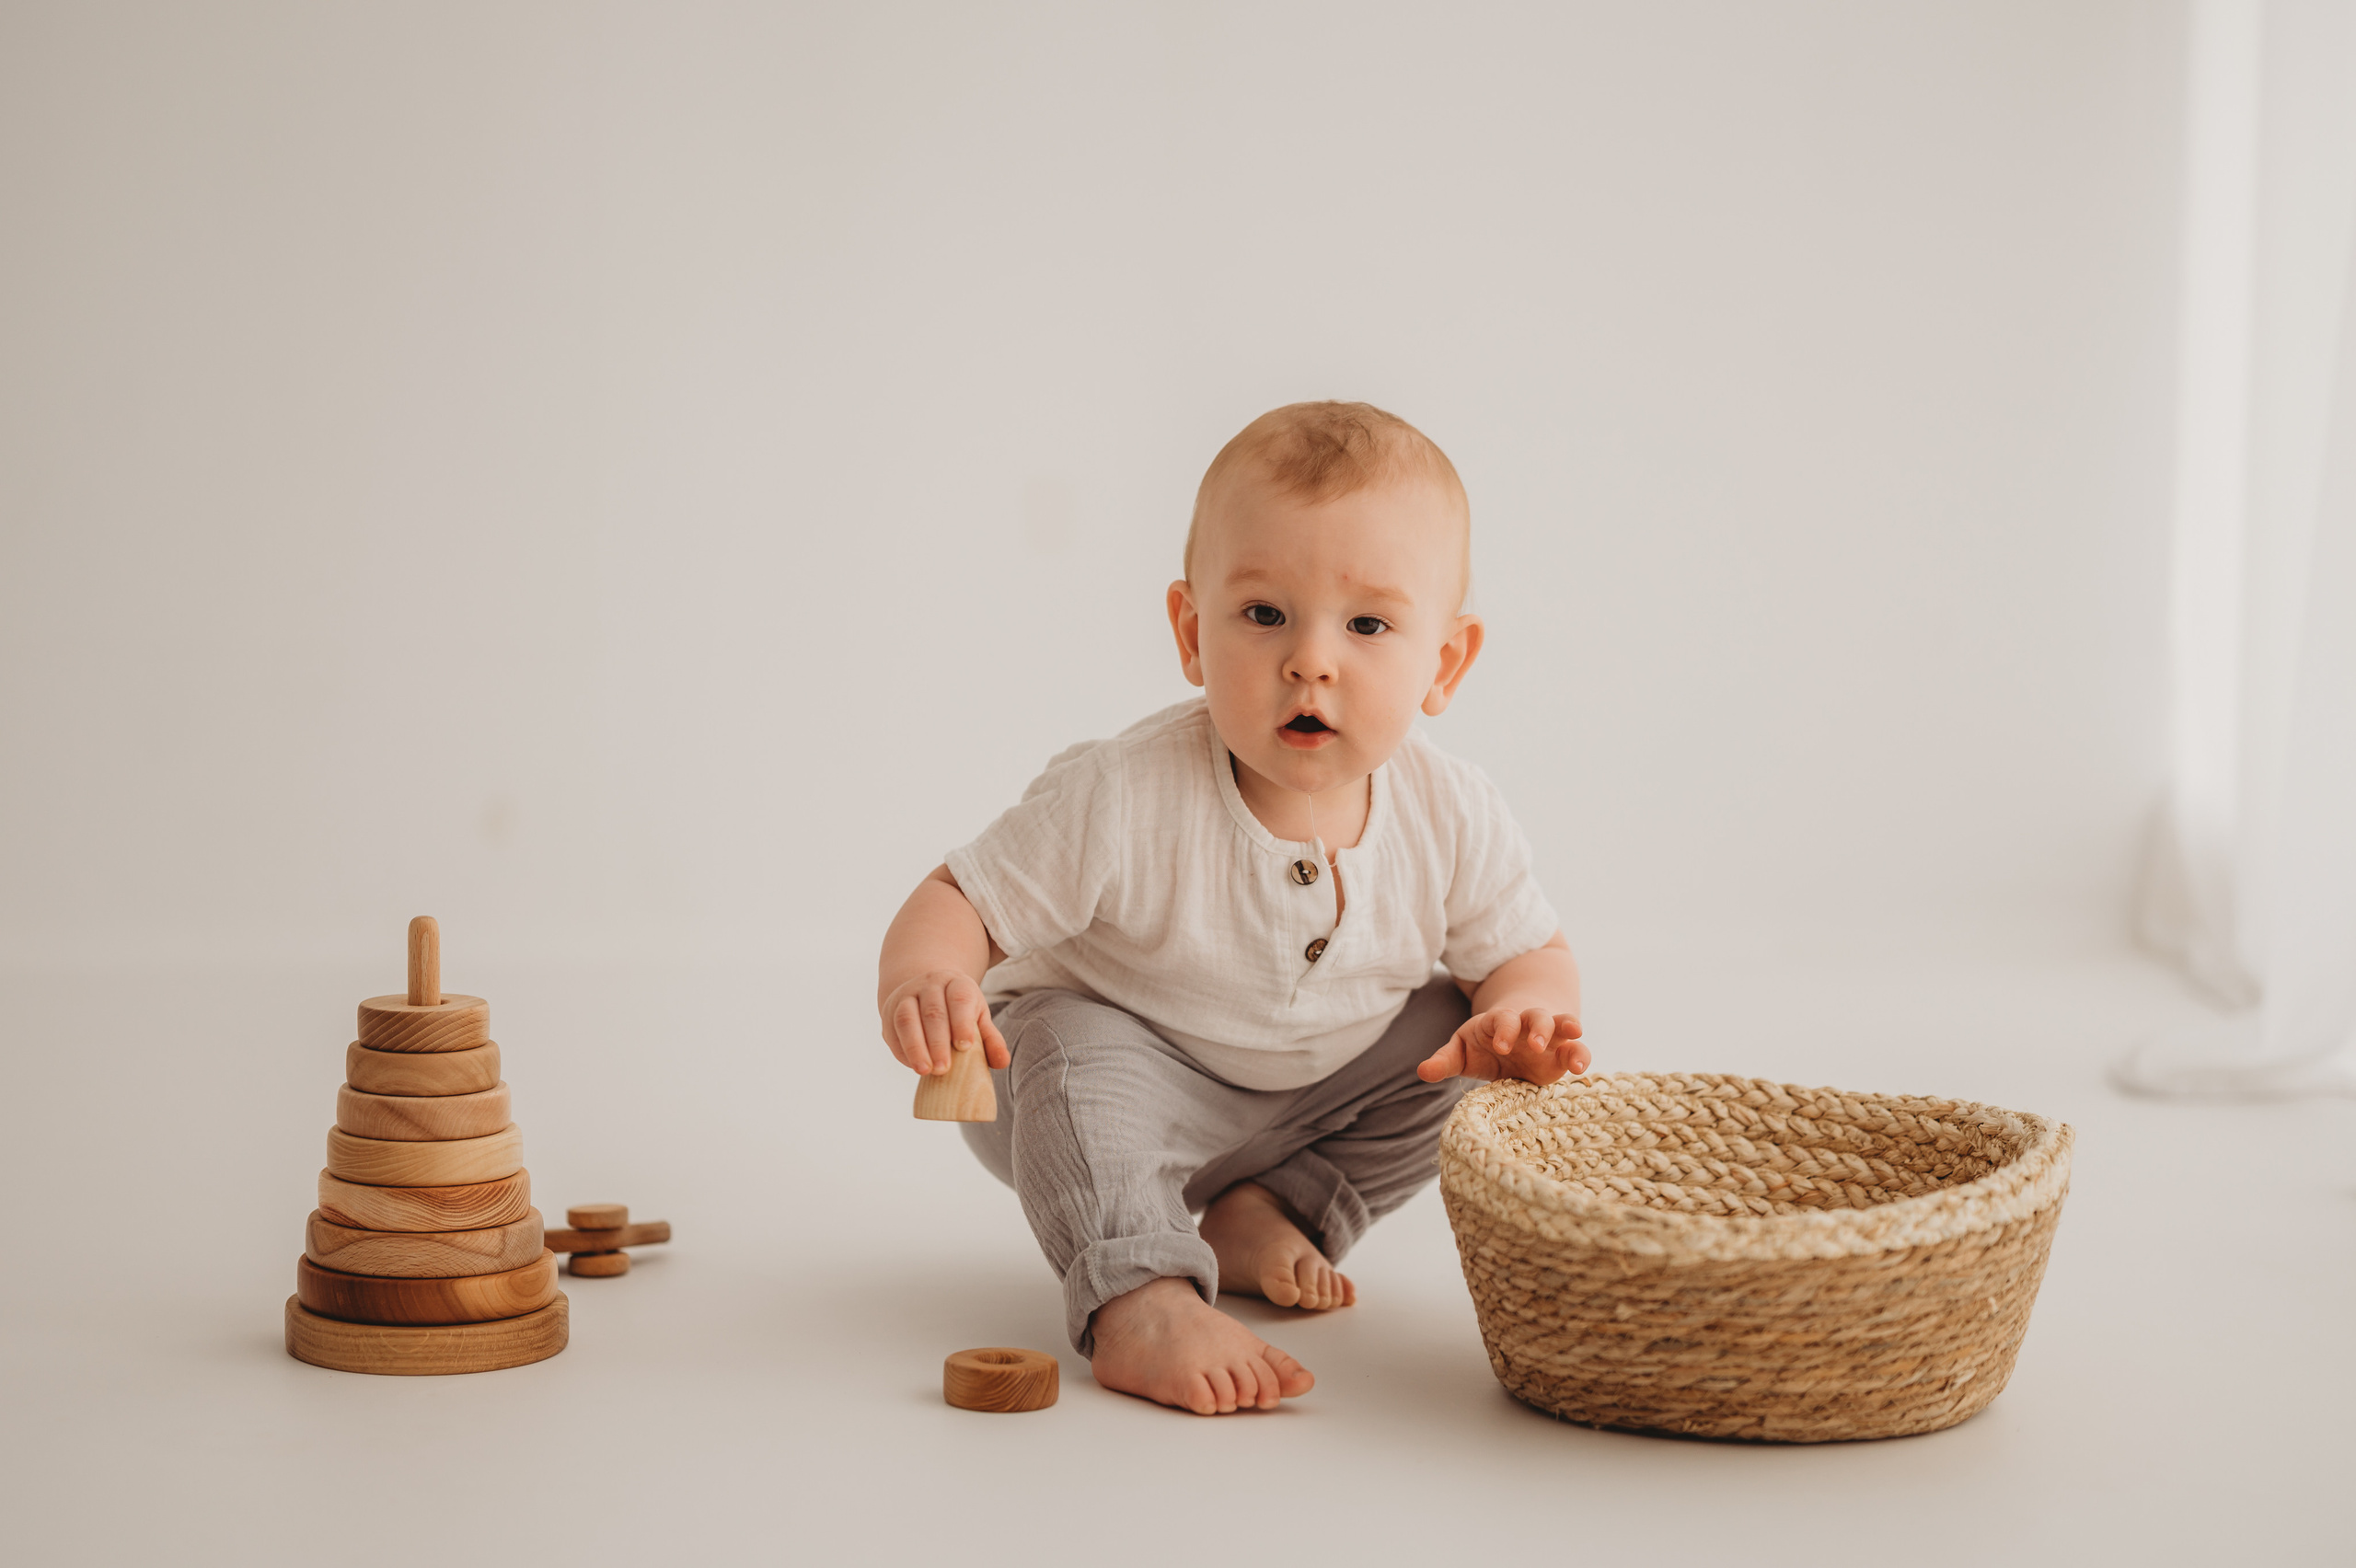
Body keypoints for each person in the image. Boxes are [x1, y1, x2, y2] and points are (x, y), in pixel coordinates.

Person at [874, 400, 1587, 1415]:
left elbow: (1530, 952)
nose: (1310, 659)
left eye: (1368, 625)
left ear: (1445, 664)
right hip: (1098, 1090)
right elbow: (960, 898)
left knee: (1455, 1041)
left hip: (1307, 1103)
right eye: (1263, 615)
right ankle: (1139, 1296)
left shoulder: (1453, 813)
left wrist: (1522, 1014)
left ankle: (1268, 1211)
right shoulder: (1125, 793)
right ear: (1190, 632)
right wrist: (929, 975)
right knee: (1070, 1040)